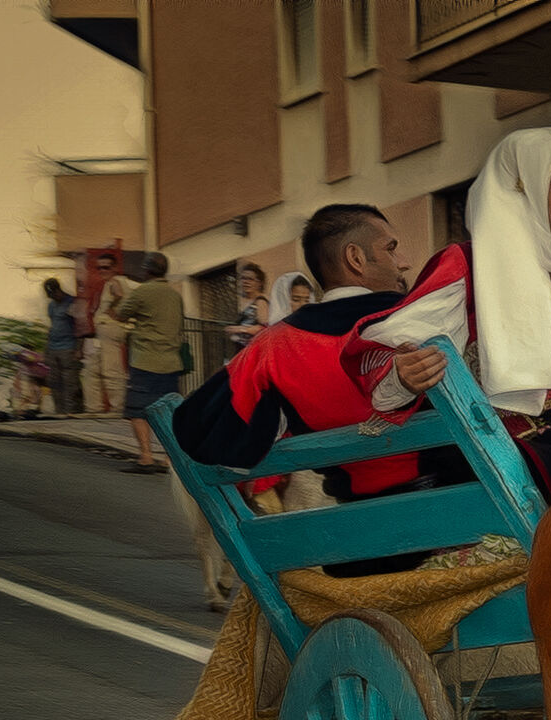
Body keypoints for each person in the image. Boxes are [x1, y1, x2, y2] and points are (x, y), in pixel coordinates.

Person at [351, 127, 551, 497]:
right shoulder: (470, 268)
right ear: (521, 186)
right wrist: (402, 372)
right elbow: (385, 350)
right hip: (491, 458)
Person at [173, 204, 443, 513]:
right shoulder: (423, 317)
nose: (404, 263)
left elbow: (195, 430)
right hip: (464, 519)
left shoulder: (272, 346)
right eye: (391, 249)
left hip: (352, 534)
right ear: (355, 258)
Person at [106, 253, 185, 472]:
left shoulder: (143, 292)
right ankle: (170, 459)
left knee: (137, 411)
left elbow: (120, 314)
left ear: (147, 270)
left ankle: (146, 456)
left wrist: (116, 297)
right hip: (170, 362)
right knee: (168, 412)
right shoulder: (175, 295)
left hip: (145, 361)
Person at [91, 258, 135, 415]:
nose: (102, 270)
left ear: (114, 267)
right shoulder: (120, 281)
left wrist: (110, 309)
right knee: (97, 369)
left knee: (111, 369)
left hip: (109, 327)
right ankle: (97, 407)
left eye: (106, 267)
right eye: (99, 267)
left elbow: (119, 294)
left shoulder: (114, 281)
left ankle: (117, 407)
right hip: (109, 329)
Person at [42, 279, 84, 415]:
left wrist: (79, 348)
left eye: (53, 294)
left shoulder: (72, 302)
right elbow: (52, 326)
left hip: (68, 347)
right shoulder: (51, 306)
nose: (53, 297)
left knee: (70, 383)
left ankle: (71, 413)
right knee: (54, 382)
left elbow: (80, 326)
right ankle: (59, 412)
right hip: (53, 348)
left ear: (58, 290)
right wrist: (46, 349)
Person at [226, 263, 271, 349]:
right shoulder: (248, 302)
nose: (245, 282)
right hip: (243, 351)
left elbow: (265, 328)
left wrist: (240, 329)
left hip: (253, 352)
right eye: (243, 278)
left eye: (250, 279)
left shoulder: (261, 301)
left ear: (259, 283)